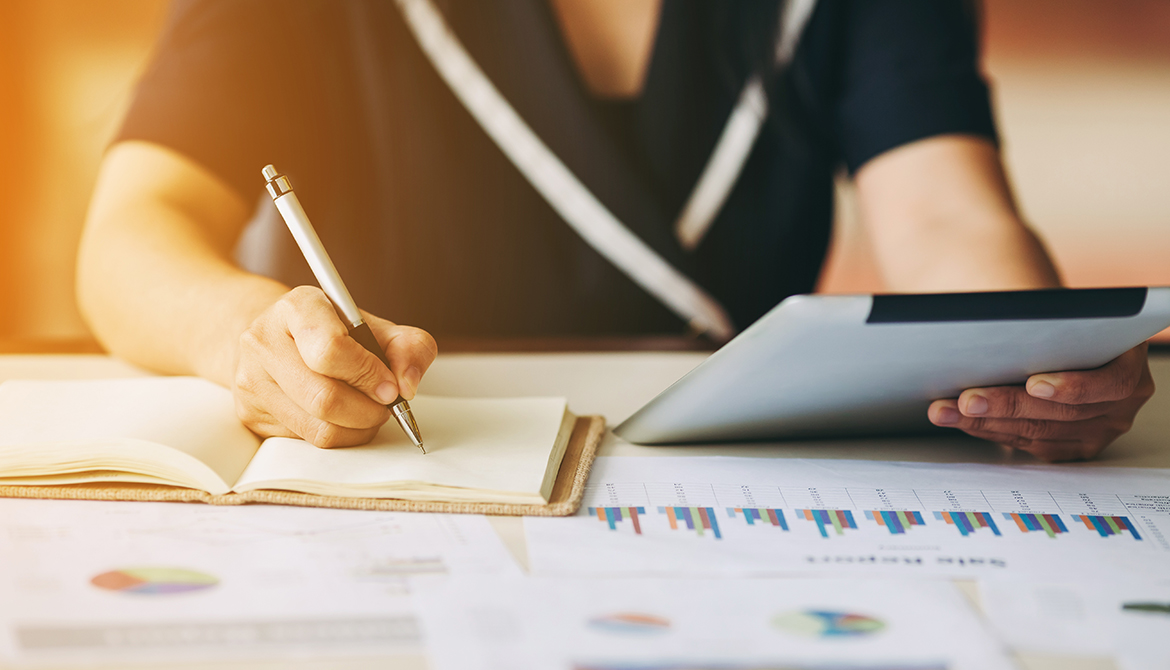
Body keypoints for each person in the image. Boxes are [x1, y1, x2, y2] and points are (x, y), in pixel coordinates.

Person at [77, 0, 1152, 460]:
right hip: (422, 462)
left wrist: (1036, 360)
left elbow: (947, 212)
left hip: (740, 480)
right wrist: (248, 338)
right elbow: (131, 235)